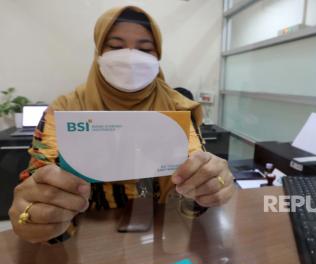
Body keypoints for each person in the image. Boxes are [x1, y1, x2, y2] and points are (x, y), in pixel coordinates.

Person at [8, 6, 236, 244]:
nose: (130, 58)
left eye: (145, 49)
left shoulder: (178, 107)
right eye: (116, 47)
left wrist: (208, 186)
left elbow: (194, 183)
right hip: (89, 237)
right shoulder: (65, 109)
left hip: (163, 232)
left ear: (157, 57)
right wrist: (37, 214)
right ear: (98, 52)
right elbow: (42, 182)